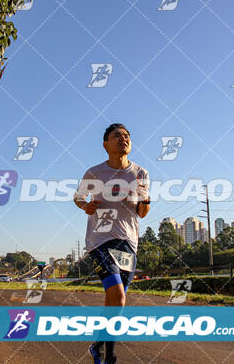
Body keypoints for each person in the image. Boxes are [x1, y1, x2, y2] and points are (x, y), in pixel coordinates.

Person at [74, 124, 150, 364]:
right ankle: (110, 358)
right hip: (101, 240)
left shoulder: (141, 173)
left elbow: (143, 212)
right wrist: (85, 206)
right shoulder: (94, 173)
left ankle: (97, 347)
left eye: (127, 135)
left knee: (114, 303)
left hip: (129, 241)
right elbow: (78, 198)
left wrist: (145, 196)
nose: (123, 139)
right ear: (105, 144)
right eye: (117, 135)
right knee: (118, 296)